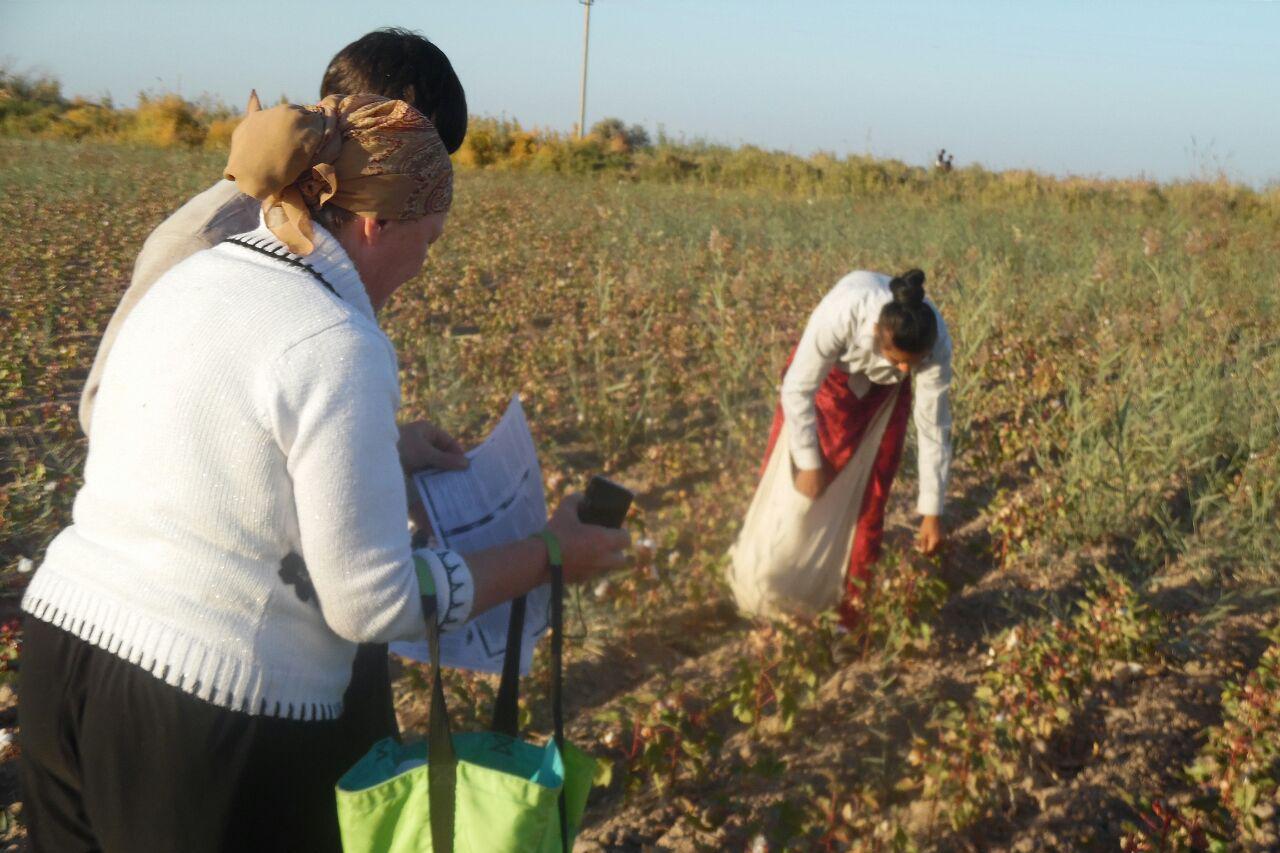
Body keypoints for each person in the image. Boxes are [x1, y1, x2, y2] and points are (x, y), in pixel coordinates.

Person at [18, 94, 630, 853]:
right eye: (429, 240)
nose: (423, 266)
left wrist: (384, 453)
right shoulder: (336, 339)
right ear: (377, 225)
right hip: (199, 705)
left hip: (61, 649)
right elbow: (370, 602)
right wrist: (549, 553)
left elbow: (205, 446)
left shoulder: (199, 274)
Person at [74, 27, 470, 786]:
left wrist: (382, 452)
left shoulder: (337, 233)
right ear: (365, 122)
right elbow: (115, 413)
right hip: (214, 632)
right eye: (410, 142)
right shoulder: (213, 235)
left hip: (301, 609)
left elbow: (280, 412)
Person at [728, 269, 952, 629]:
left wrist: (932, 511)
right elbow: (798, 389)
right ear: (879, 333)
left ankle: (847, 616)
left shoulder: (935, 344)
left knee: (871, 496)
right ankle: (762, 584)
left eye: (913, 364)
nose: (904, 369)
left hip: (882, 400)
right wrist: (809, 462)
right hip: (826, 380)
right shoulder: (842, 313)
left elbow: (933, 426)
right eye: (896, 359)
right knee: (786, 484)